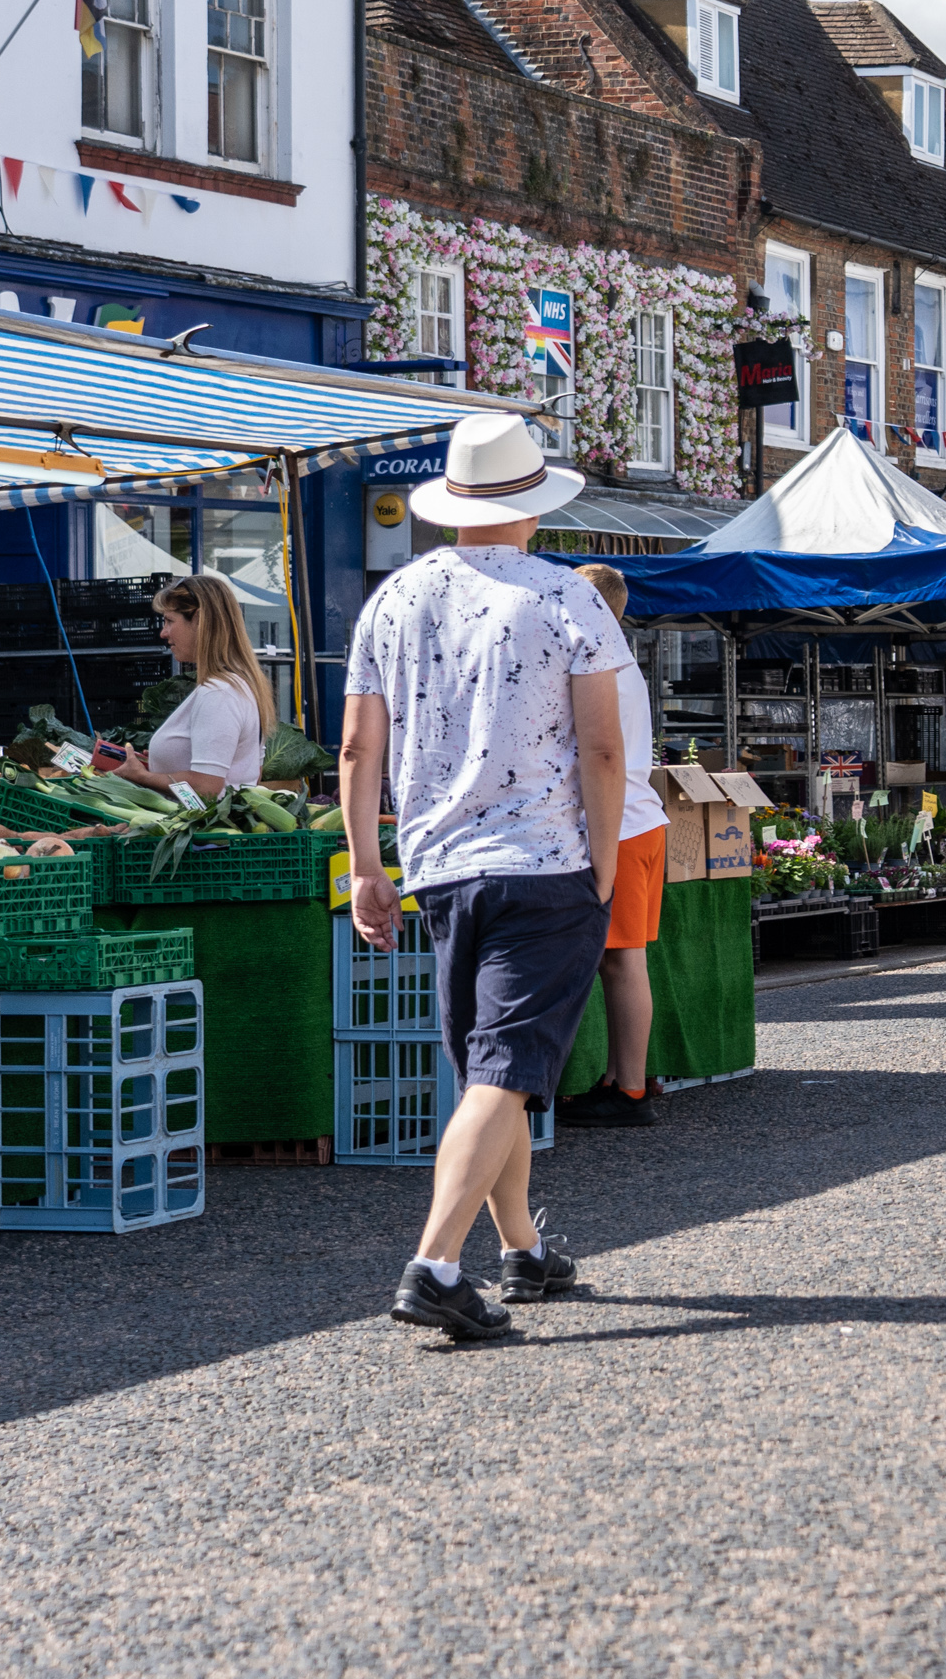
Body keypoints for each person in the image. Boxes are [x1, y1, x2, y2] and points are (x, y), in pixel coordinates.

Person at [342, 412, 628, 1341]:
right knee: (504, 1068)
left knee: (489, 1071)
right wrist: (607, 859)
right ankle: (433, 1265)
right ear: (535, 508)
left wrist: (367, 867)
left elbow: (356, 746)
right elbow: (602, 746)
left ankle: (522, 1250)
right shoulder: (566, 598)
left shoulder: (391, 599)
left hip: (441, 868)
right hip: (546, 862)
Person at [556, 565, 669, 1130]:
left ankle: (629, 1088)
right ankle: (622, 1078)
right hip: (639, 819)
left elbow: (592, 755)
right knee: (624, 959)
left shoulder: (596, 660)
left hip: (616, 825)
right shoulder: (622, 659)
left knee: (621, 961)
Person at [108, 571, 272, 798]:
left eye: (169, 621)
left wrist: (142, 777)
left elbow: (206, 788)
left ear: (199, 621)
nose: (163, 633)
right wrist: (160, 764)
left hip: (205, 830)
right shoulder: (240, 685)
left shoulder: (219, 693)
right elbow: (248, 772)